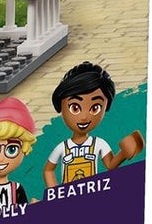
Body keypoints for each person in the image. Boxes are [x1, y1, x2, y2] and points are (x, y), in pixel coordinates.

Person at [41, 61, 145, 192]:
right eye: (75, 108)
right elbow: (48, 170)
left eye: (95, 108)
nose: (84, 117)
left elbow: (110, 165)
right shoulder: (62, 147)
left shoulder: (99, 144)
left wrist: (124, 154)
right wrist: (55, 193)